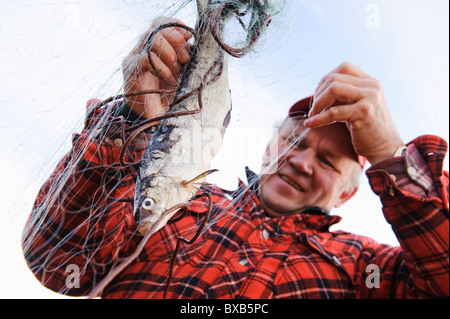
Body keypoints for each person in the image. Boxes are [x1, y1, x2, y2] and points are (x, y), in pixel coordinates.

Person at [22, 17, 449, 299]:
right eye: (296, 143)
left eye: (328, 162)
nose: (301, 162)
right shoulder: (168, 202)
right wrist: (132, 116)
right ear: (269, 147)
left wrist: (391, 155)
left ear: (349, 193)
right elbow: (55, 258)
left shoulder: (368, 270)